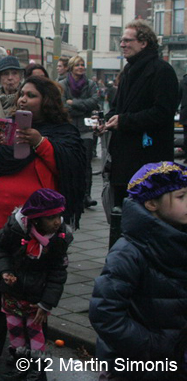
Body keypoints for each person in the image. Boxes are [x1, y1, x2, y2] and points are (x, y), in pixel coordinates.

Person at [0, 75, 85, 366]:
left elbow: (69, 169)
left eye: (30, 95)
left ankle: (29, 351)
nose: (22, 99)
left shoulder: (61, 133)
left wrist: (40, 142)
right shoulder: (5, 127)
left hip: (38, 228)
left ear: (46, 101)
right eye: (21, 95)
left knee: (32, 291)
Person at [90, 162, 187, 381]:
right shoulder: (128, 252)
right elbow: (105, 313)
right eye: (181, 197)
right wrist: (153, 346)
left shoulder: (179, 237)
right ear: (152, 203)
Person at [101, 20, 180, 248]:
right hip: (124, 158)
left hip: (148, 157)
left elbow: (163, 112)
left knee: (147, 214)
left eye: (127, 40)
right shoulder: (128, 71)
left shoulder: (162, 71)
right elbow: (117, 107)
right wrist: (107, 121)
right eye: (122, 40)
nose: (122, 44)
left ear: (144, 42)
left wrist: (124, 121)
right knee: (123, 213)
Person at [0, 188, 73, 381]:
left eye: (59, 216)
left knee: (35, 333)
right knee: (15, 331)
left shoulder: (58, 240)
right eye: (50, 217)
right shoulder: (15, 229)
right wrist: (5, 271)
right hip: (14, 292)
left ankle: (37, 371)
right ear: (36, 219)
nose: (57, 221)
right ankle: (21, 366)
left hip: (37, 298)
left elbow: (58, 274)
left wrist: (46, 303)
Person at [60, 56, 101, 209]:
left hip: (86, 130)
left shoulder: (90, 84)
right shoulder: (62, 85)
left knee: (86, 163)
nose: (80, 67)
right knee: (68, 162)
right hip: (69, 128)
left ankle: (86, 195)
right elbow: (63, 106)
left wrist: (74, 103)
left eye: (82, 65)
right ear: (71, 67)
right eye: (77, 65)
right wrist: (83, 107)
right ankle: (70, 193)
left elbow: (94, 102)